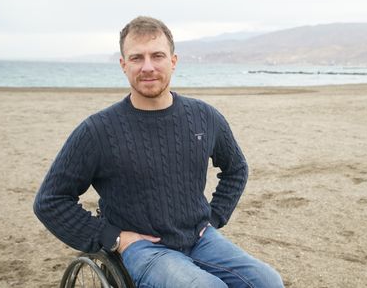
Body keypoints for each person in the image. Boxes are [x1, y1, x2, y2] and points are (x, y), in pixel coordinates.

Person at [34, 16, 284, 288]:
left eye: (157, 56)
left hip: (200, 238)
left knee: (268, 281)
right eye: (137, 58)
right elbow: (50, 200)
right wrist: (114, 237)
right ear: (123, 65)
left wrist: (214, 217)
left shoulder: (204, 117)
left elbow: (236, 169)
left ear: (173, 61)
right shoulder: (97, 131)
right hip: (142, 249)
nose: (148, 67)